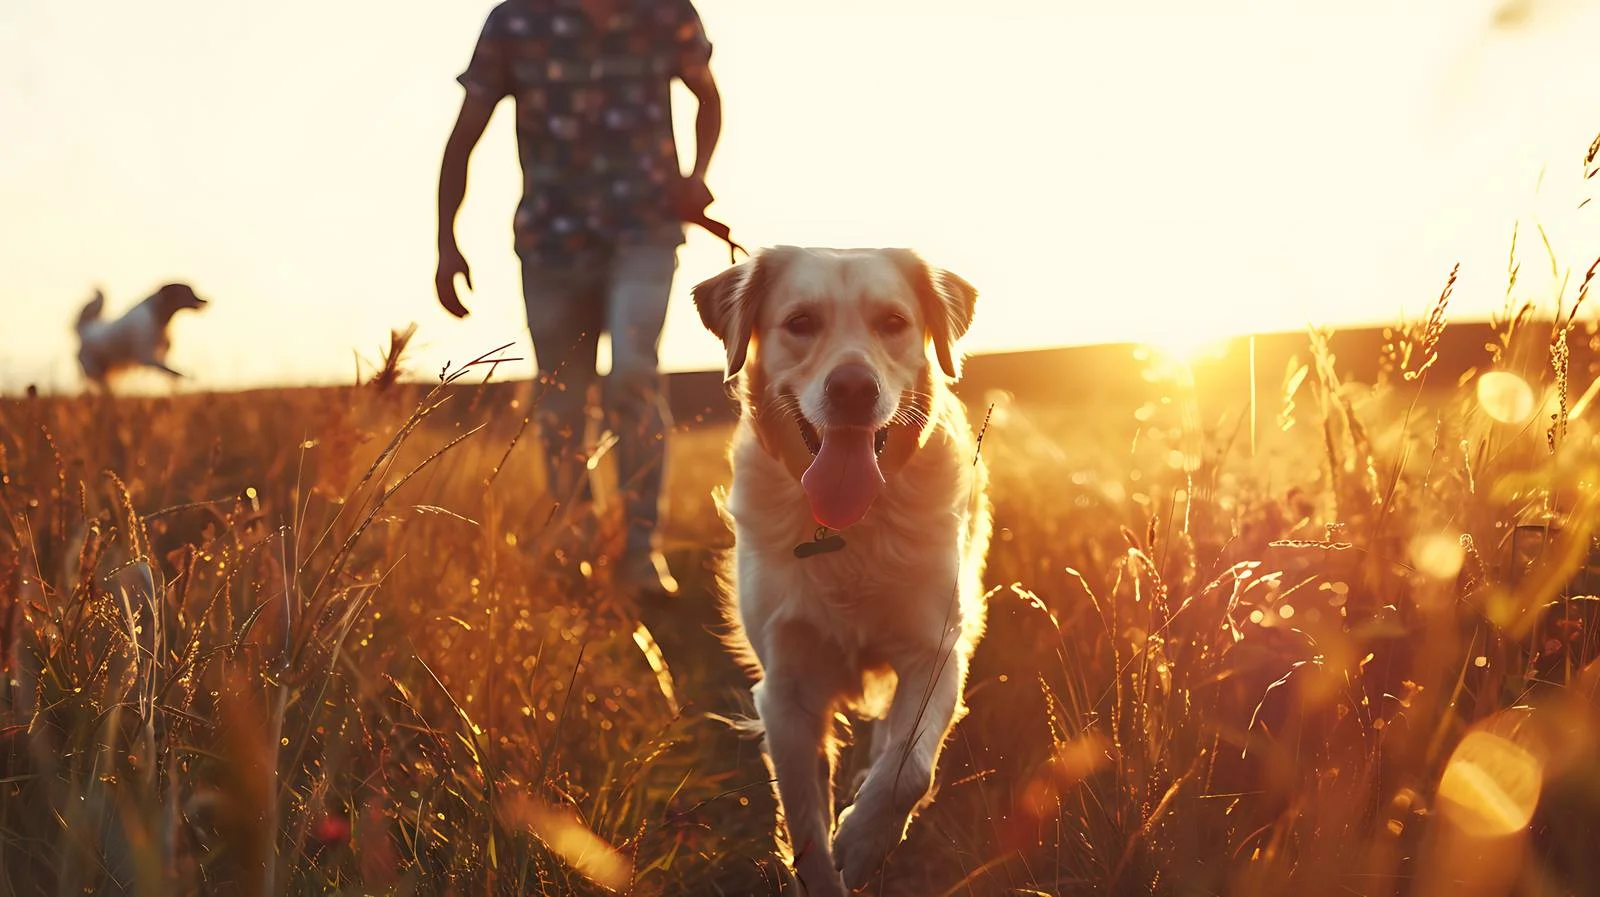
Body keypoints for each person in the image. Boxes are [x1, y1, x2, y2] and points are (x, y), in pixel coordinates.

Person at [435, 0, 723, 597]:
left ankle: (640, 555)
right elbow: (463, 137)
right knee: (561, 403)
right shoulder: (515, 22)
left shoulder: (665, 11)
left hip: (644, 232)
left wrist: (695, 177)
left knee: (634, 375)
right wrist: (446, 244)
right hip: (551, 244)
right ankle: (578, 550)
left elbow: (709, 99)